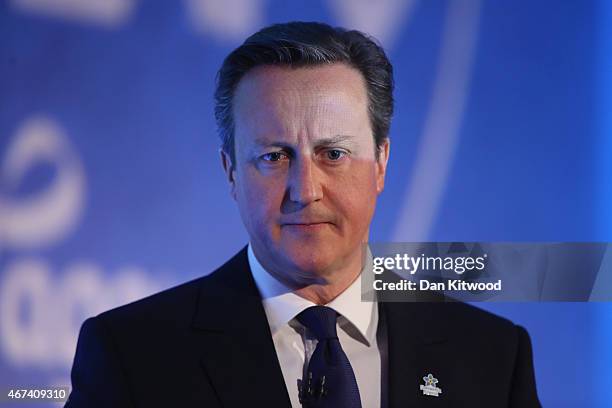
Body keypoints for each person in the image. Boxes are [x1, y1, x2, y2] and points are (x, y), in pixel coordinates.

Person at [65, 22, 540, 407]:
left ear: (381, 163)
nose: (305, 190)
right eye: (274, 156)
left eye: (333, 153)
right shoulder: (133, 356)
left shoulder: (491, 357)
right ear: (230, 171)